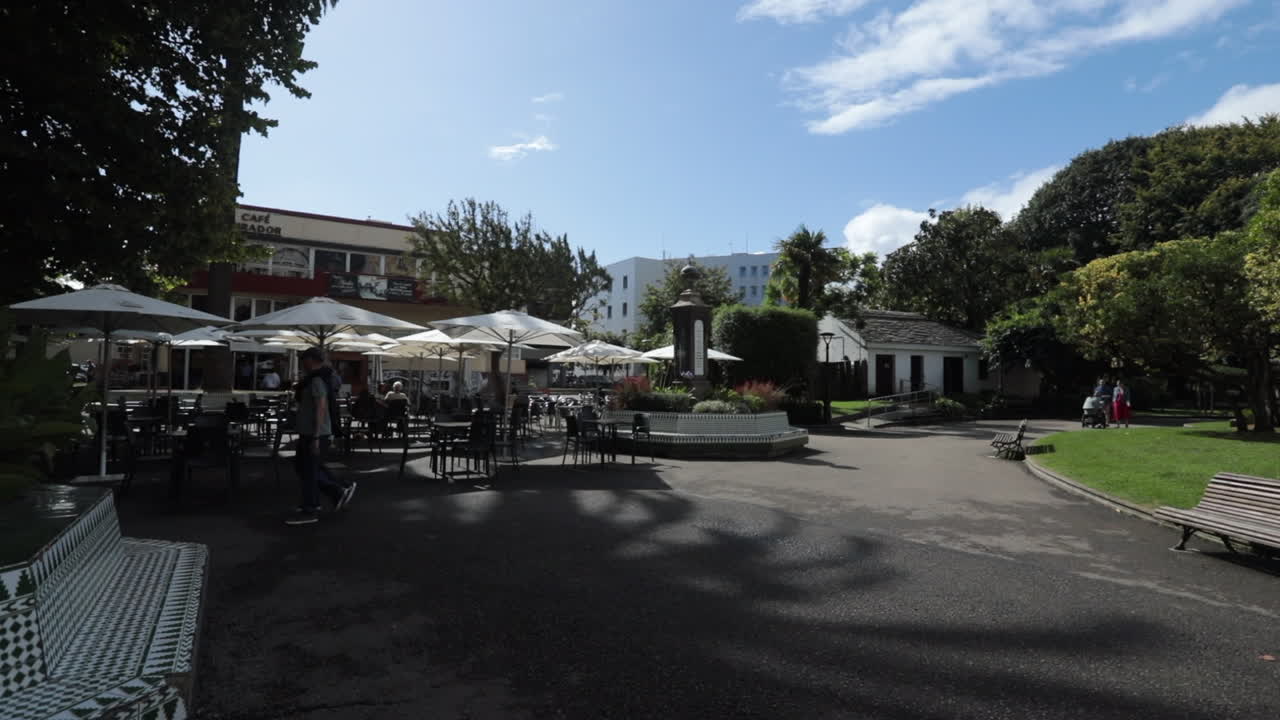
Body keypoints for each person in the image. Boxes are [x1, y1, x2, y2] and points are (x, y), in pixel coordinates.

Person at [287, 347, 355, 525]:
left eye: (304, 360)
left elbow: (321, 407)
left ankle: (311, 509)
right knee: (305, 468)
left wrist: (316, 436)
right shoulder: (313, 379)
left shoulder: (317, 380)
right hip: (310, 432)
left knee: (309, 471)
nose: (302, 363)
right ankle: (335, 492)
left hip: (315, 433)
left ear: (311, 360)